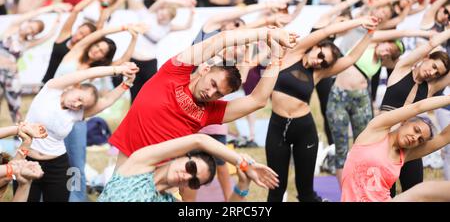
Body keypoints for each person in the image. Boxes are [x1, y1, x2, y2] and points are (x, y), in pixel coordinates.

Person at [109, 26, 297, 180]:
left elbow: (257, 100)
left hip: (164, 176)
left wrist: (276, 60)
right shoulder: (174, 73)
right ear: (206, 69)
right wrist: (269, 34)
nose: (211, 93)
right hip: (128, 163)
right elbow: (219, 40)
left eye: (218, 93)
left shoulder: (210, 111)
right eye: (213, 84)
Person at [266, 15, 379, 202]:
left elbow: (350, 58)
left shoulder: (318, 73)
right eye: (320, 55)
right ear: (316, 46)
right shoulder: (294, 52)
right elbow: (326, 31)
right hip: (277, 128)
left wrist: (370, 34)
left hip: (304, 131)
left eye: (325, 62)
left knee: (306, 193)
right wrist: (360, 21)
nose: (320, 62)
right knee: (276, 188)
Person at [18, 62, 138, 202]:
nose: (76, 105)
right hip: (27, 160)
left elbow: (107, 100)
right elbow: (88, 73)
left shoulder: (76, 113)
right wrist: (119, 69)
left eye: (81, 105)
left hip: (57, 165)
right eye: (79, 99)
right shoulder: (51, 89)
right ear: (76, 87)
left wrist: (127, 83)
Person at [327, 29, 433, 186]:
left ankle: (361, 187)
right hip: (338, 97)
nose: (386, 52)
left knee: (365, 145)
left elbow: (406, 65)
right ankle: (346, 192)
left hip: (361, 100)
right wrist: (424, 33)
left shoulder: (382, 62)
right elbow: (382, 35)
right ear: (385, 41)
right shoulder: (368, 43)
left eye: (390, 53)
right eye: (388, 47)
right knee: (341, 149)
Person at [98, 134, 279, 202]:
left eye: (194, 181)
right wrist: (243, 163)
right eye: (191, 167)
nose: (187, 176)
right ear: (183, 156)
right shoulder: (139, 164)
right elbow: (198, 140)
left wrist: (243, 184)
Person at [380, 29, 450, 197]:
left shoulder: (430, 88)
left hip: (410, 145)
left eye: (437, 73)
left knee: (414, 193)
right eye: (433, 66)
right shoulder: (402, 69)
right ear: (426, 58)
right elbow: (431, 44)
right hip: (384, 143)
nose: (432, 73)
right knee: (384, 195)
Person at [341, 95, 450, 202]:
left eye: (420, 140)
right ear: (404, 122)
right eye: (416, 130)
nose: (415, 138)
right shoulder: (376, 130)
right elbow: (418, 107)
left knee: (420, 192)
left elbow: (443, 137)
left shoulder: (405, 154)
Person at [0, 3, 69, 123]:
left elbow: (49, 35)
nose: (30, 29)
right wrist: (51, 8)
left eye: (34, 30)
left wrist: (58, 19)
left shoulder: (26, 44)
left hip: (11, 76)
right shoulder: (11, 30)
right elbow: (30, 14)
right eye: (31, 25)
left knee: (15, 106)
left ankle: (19, 135)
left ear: (33, 34)